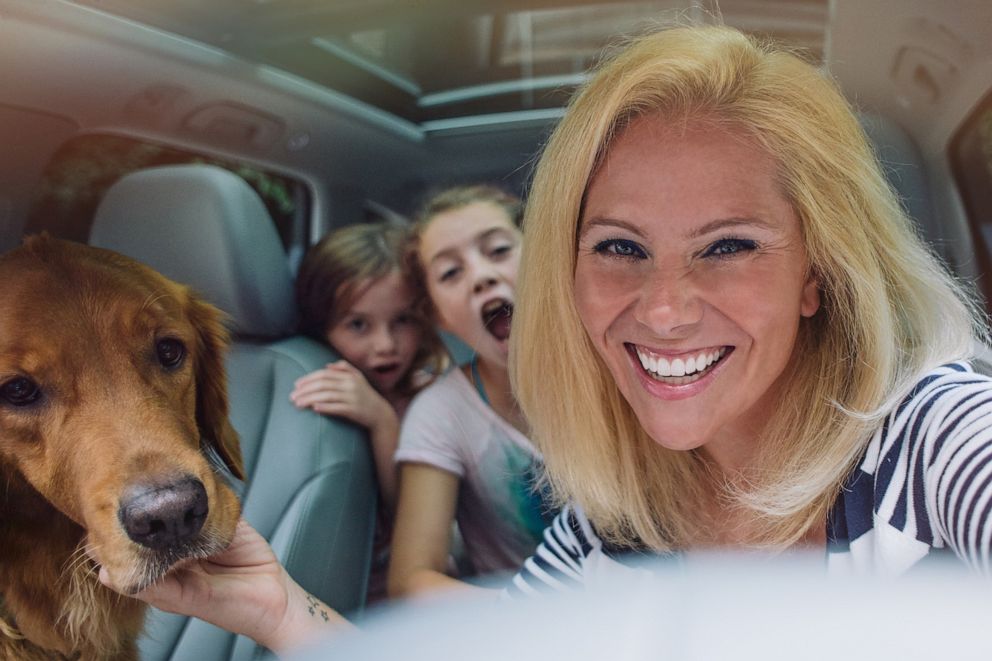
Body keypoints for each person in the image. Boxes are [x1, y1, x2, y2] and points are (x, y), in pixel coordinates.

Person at [98, 24, 992, 655]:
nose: (667, 308)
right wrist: (279, 608)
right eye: (619, 247)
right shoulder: (606, 525)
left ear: (818, 273)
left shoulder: (928, 433)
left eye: (728, 246)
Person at [387, 185, 555, 599]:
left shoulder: (620, 365)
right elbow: (411, 582)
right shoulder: (441, 413)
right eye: (450, 273)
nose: (481, 276)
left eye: (498, 250)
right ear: (438, 316)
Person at [291, 220, 447, 601]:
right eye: (358, 324)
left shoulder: (431, 399)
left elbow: (416, 529)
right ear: (321, 326)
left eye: (404, 321)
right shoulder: (308, 377)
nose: (385, 345)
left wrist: (382, 421)